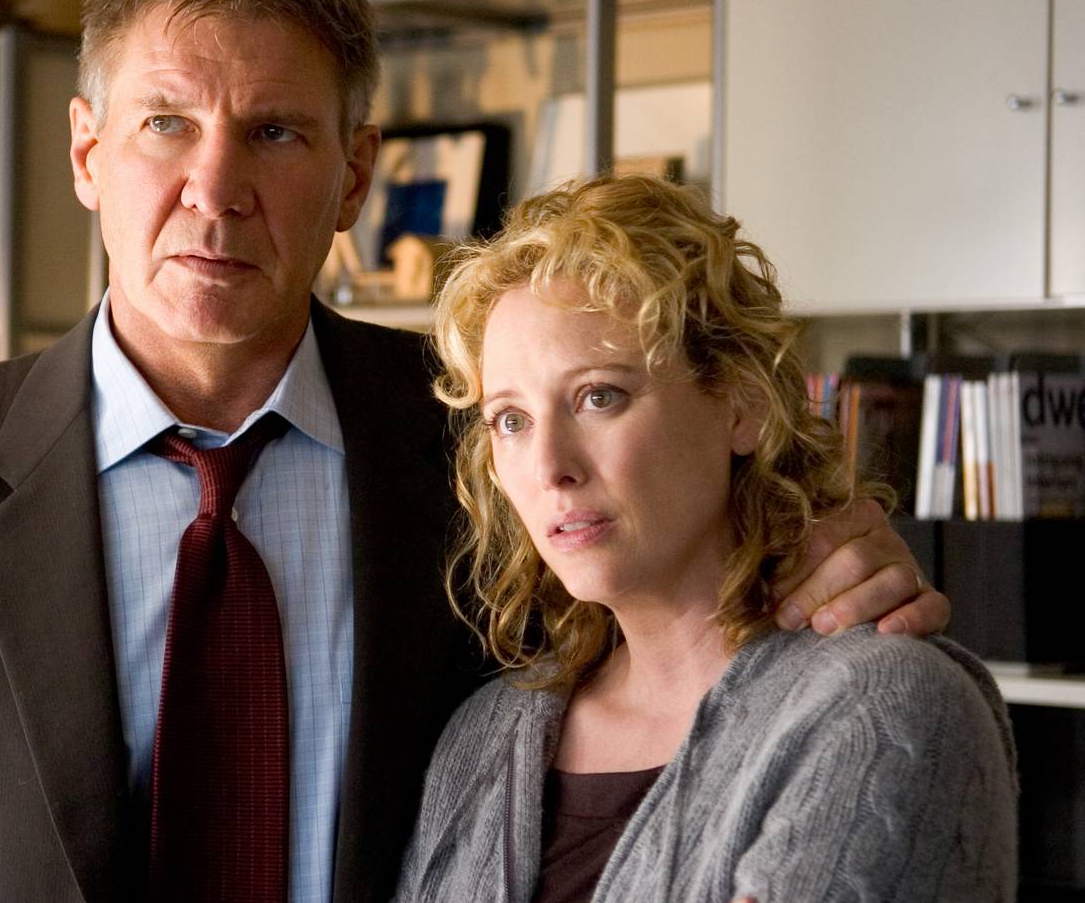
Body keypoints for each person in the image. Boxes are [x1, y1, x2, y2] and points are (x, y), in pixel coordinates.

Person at [0, 0, 950, 903]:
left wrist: (826, 558)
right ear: (85, 154)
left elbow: (680, 624)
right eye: (165, 124)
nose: (214, 189)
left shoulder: (492, 447)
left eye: (274, 131)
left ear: (355, 177)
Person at [397, 175, 1016, 902]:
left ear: (743, 406)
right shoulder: (484, 735)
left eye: (599, 397)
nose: (549, 468)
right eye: (511, 420)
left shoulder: (882, 707)